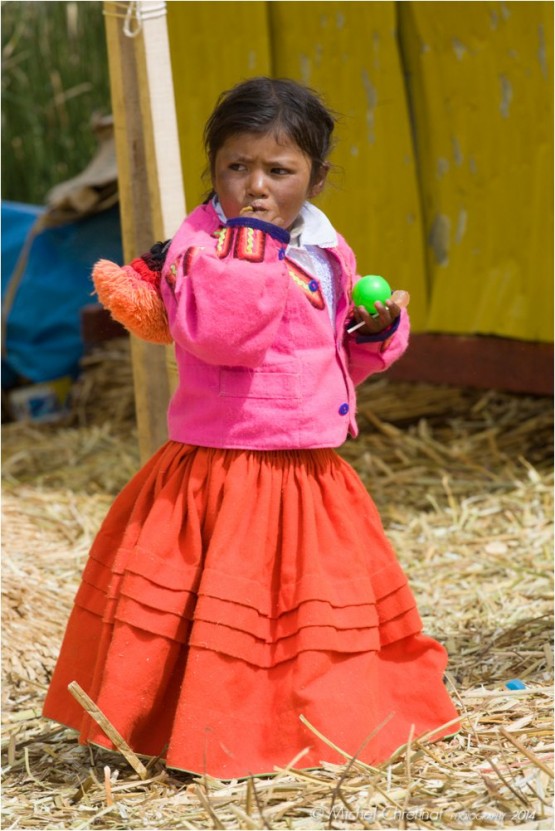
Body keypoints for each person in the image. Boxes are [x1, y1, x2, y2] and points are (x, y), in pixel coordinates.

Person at [43, 77, 459, 779]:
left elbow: (331, 358)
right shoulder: (199, 247)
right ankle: (198, 733)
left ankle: (316, 724)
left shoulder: (327, 248)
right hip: (223, 469)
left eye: (278, 170)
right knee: (215, 616)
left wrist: (375, 330)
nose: (255, 186)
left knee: (307, 616)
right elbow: (222, 337)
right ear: (214, 170)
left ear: (316, 177)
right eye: (236, 167)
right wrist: (253, 248)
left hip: (307, 470)